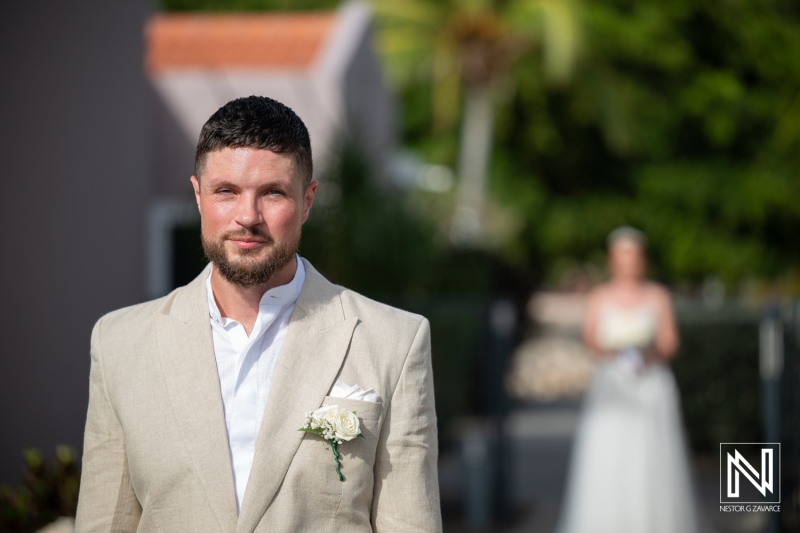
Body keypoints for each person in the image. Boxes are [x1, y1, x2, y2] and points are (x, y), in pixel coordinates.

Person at [75, 96, 442, 532]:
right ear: (198, 196)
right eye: (226, 191)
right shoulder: (119, 344)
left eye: (272, 192)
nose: (248, 217)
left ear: (307, 201)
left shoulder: (393, 342)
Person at [556, 226, 698, 533]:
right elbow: (590, 339)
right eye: (622, 256)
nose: (628, 263)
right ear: (612, 260)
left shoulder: (657, 295)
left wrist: (646, 353)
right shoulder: (599, 296)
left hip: (649, 384)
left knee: (652, 455)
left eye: (634, 256)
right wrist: (615, 350)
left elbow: (670, 341)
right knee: (610, 453)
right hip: (613, 385)